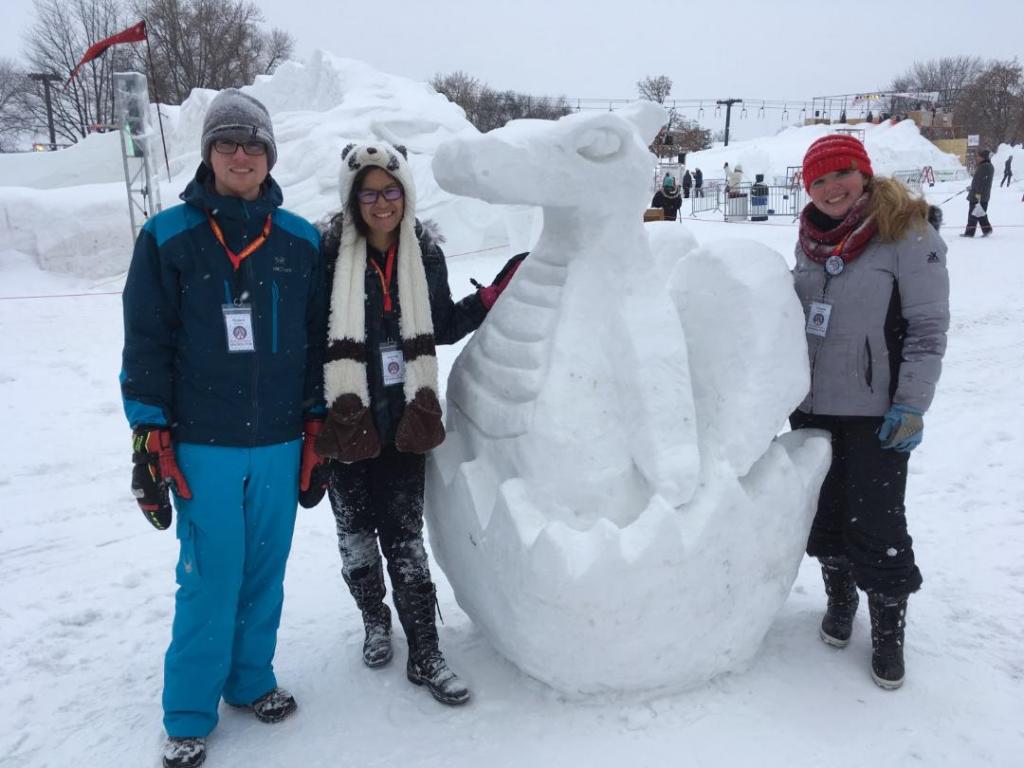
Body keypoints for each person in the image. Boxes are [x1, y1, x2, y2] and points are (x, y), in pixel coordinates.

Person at [121, 89, 327, 768]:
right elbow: (147, 343)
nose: (242, 155)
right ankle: (187, 711)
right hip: (203, 442)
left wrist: (317, 423)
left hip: (278, 440)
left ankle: (251, 681)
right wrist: (151, 433)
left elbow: (319, 339)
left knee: (265, 567)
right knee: (210, 574)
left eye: (254, 145)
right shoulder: (167, 236)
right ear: (208, 153)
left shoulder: (300, 240)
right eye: (228, 143)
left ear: (270, 156)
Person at [313, 141, 522, 707]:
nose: (382, 203)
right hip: (347, 421)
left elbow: (438, 326)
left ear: (405, 193)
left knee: (405, 543)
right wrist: (313, 423)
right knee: (356, 541)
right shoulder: (327, 254)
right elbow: (311, 341)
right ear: (352, 198)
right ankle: (374, 621)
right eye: (369, 192)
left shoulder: (423, 253)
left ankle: (425, 652)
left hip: (407, 421)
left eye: (391, 190)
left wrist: (490, 300)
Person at [790, 134, 949, 690]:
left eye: (841, 175)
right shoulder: (809, 239)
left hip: (876, 413)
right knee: (822, 515)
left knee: (878, 524)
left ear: (864, 173)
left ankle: (887, 627)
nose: (831, 189)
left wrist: (911, 404)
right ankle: (839, 600)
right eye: (818, 180)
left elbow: (928, 330)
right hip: (811, 409)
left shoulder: (907, 232)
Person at [962, 148, 994, 237]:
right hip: (980, 195)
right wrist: (972, 187)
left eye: (979, 156)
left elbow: (981, 182)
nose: (977, 158)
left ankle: (969, 233)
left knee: (973, 215)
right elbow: (979, 181)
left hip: (978, 196)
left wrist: (977, 193)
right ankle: (987, 230)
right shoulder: (985, 166)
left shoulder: (985, 166)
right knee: (980, 214)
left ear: (983, 157)